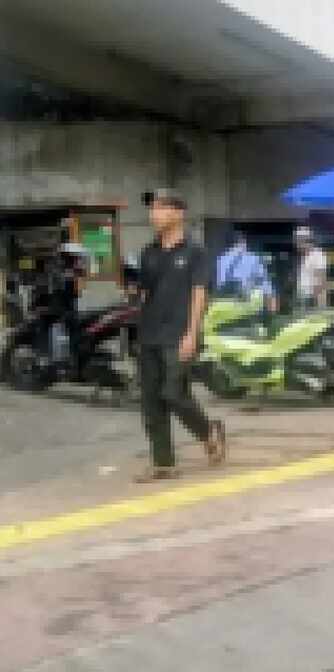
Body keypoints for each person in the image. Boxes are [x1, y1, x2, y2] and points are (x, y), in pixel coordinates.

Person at [135, 188, 226, 482]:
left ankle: (208, 431)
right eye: (152, 209)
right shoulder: (148, 252)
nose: (153, 214)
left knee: (174, 394)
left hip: (178, 334)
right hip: (149, 334)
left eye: (160, 208)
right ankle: (163, 463)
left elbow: (199, 294)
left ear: (178, 213)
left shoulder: (196, 252)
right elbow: (144, 292)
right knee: (151, 401)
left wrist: (192, 333)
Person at [215, 231, 277, 310]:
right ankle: (271, 314)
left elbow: (219, 284)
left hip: (224, 302)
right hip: (247, 301)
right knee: (267, 287)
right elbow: (265, 283)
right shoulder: (253, 258)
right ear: (244, 242)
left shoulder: (221, 259)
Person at [295, 226, 328, 310]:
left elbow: (321, 279)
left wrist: (319, 306)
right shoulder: (303, 257)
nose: (297, 244)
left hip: (312, 300)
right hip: (303, 299)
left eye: (299, 240)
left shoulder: (317, 254)